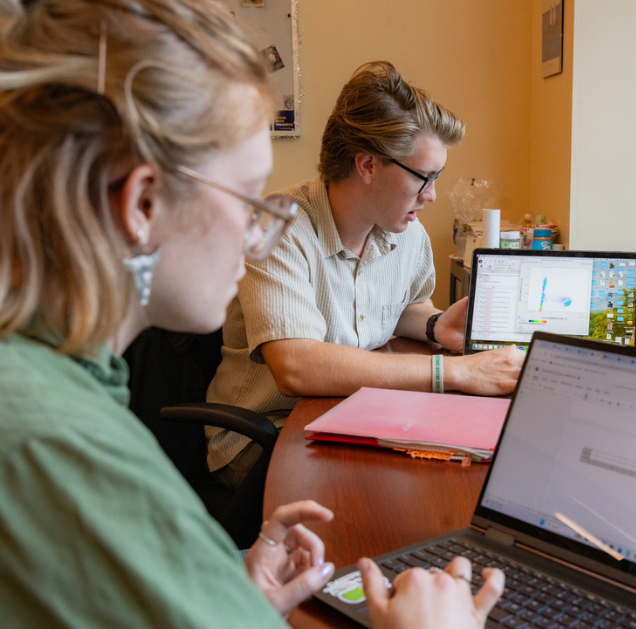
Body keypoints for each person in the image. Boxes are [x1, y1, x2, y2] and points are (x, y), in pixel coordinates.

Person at [0, 1, 502, 627]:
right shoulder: (58, 445)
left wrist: (222, 588)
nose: (258, 236)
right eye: (246, 202)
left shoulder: (63, 386)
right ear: (144, 203)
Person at [206, 61, 525, 488]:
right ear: (368, 166)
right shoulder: (278, 227)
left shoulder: (404, 229)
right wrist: (456, 373)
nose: (431, 196)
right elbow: (296, 367)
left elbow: (394, 306)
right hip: (266, 435)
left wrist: (433, 324)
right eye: (424, 178)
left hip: (350, 411)